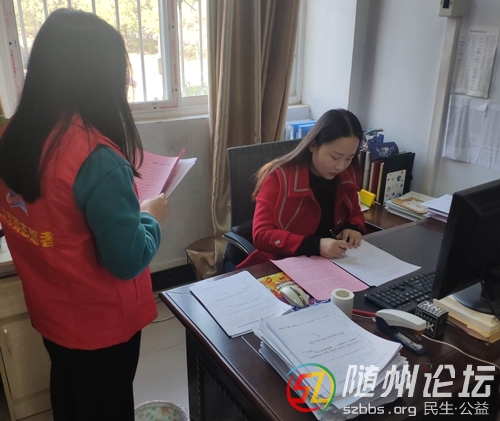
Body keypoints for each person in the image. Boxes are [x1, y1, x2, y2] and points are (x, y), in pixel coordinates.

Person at [0, 9, 168, 421]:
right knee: (107, 405)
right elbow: (127, 258)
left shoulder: (11, 137)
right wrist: (151, 216)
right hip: (102, 326)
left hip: (51, 314)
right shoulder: (96, 158)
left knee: (69, 392)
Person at [238, 109, 366, 269]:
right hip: (282, 263)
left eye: (349, 158)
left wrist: (352, 228)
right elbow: (261, 235)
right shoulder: (279, 177)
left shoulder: (346, 175)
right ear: (313, 145)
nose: (341, 166)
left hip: (330, 263)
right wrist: (315, 245)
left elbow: (355, 214)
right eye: (335, 157)